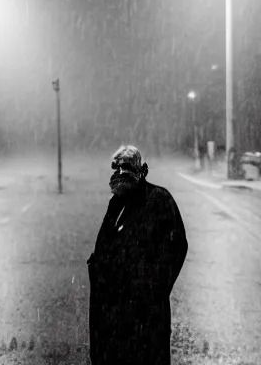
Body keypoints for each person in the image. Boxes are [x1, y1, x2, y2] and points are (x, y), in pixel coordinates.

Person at [87, 145, 188, 365]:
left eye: (127, 166)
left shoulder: (159, 200)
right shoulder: (117, 203)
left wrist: (153, 288)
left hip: (145, 313)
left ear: (141, 170)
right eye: (117, 167)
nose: (121, 173)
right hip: (112, 312)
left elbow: (177, 247)